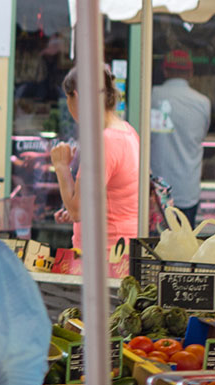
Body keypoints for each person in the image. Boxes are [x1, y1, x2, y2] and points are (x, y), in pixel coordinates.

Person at [50, 63, 140, 249]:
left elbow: (77, 211)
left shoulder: (104, 141)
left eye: (68, 99)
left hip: (104, 255)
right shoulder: (127, 131)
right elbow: (114, 197)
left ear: (77, 96)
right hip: (120, 248)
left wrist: (61, 167)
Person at [150, 49, 211, 223]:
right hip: (187, 190)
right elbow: (202, 134)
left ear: (165, 71)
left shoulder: (151, 96)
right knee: (184, 248)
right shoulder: (203, 103)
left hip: (156, 190)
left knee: (154, 247)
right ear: (190, 73)